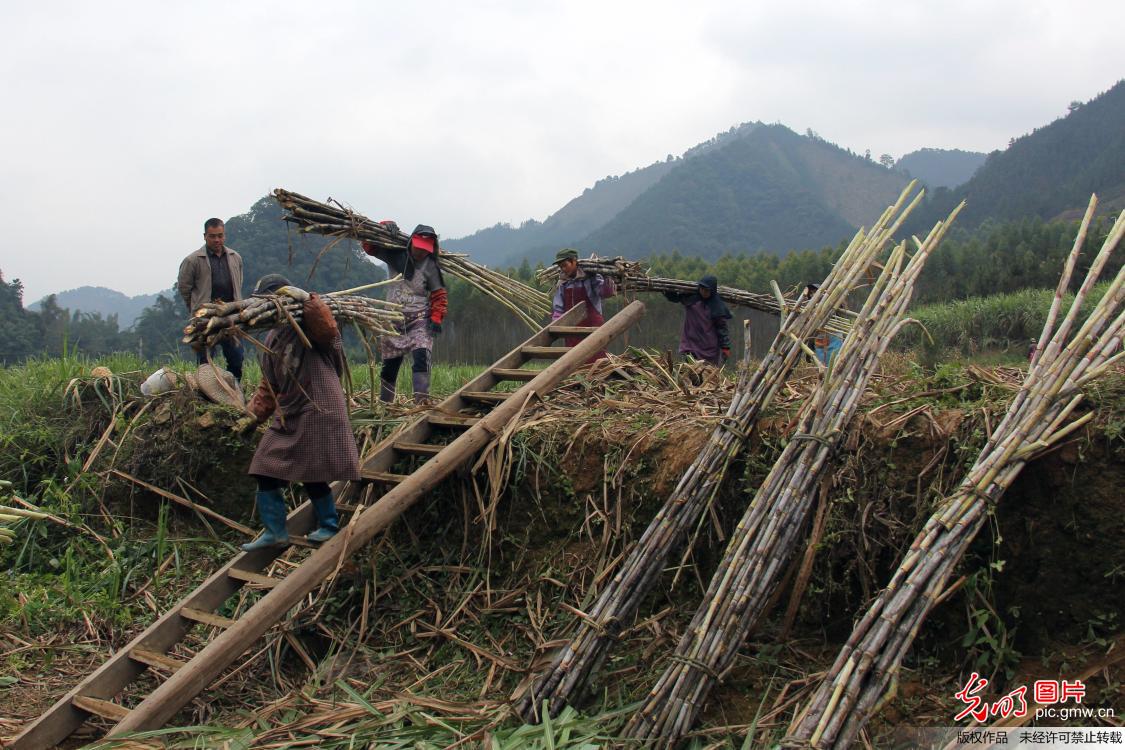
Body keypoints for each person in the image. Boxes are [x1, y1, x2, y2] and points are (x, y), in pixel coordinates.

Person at [239, 274, 360, 550]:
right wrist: (248, 418)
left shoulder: (310, 325)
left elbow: (332, 337)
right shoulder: (270, 339)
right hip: (291, 411)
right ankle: (275, 532)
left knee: (312, 469)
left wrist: (311, 304)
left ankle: (329, 525)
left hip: (318, 405)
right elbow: (268, 387)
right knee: (263, 467)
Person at [361, 225, 447, 404]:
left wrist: (436, 318)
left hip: (419, 321)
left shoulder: (430, 267)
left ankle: (421, 404)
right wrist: (383, 226)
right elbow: (369, 246)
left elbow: (439, 295)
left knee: (422, 358)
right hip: (393, 321)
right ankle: (386, 406)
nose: (420, 252)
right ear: (410, 243)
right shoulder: (394, 255)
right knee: (389, 367)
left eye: (425, 250)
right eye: (418, 247)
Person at [178, 218, 245, 381]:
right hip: (204, 319)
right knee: (205, 362)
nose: (217, 240)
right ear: (205, 236)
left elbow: (238, 282)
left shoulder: (235, 257)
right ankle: (206, 395)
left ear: (225, 236)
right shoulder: (192, 260)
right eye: (212, 236)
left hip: (231, 317)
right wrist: (195, 309)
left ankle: (234, 392)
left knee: (236, 359)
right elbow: (184, 288)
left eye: (220, 236)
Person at [551, 248, 615, 360]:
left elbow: (603, 292)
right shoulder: (562, 283)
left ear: (574, 261)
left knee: (596, 357)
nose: (563, 269)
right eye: (561, 267)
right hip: (571, 330)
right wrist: (557, 323)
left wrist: (607, 280)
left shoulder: (591, 277)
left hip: (592, 325)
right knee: (573, 360)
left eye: (565, 265)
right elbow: (558, 308)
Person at [663, 275, 732, 366]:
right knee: (689, 370)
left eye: (707, 290)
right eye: (702, 289)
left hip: (709, 347)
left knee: (706, 374)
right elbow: (676, 298)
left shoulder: (717, 306)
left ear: (712, 291)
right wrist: (665, 290)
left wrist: (725, 347)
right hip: (690, 343)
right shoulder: (692, 299)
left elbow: (722, 329)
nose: (703, 292)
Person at [805, 283, 843, 367]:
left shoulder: (832, 302)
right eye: (810, 294)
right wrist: (809, 347)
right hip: (820, 341)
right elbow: (812, 330)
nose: (812, 295)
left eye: (814, 292)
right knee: (822, 366)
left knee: (835, 363)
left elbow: (841, 305)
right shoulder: (810, 310)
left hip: (834, 337)